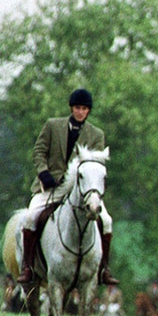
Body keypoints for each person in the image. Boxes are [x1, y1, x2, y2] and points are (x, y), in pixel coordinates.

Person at [16, 88, 118, 286]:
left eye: (84, 109)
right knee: (29, 218)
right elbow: (39, 151)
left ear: (88, 111)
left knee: (106, 221)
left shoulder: (96, 134)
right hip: (51, 187)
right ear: (72, 108)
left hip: (81, 190)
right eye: (77, 108)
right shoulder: (53, 126)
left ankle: (104, 268)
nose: (80, 112)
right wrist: (43, 172)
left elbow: (95, 166)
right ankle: (27, 266)